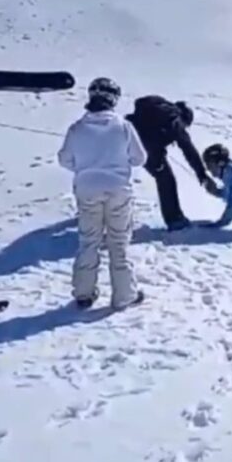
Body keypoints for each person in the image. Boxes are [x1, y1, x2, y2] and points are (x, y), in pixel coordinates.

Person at [58, 77, 148, 309]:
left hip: (86, 189)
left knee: (89, 240)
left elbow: (64, 159)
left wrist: (85, 167)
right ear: (114, 99)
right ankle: (124, 295)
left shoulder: (76, 128)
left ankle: (84, 293)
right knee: (119, 242)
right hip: (119, 189)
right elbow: (140, 158)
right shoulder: (123, 127)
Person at [125, 95, 216, 231]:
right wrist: (201, 174)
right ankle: (175, 220)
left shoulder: (160, 110)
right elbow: (188, 149)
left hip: (126, 139)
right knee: (166, 180)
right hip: (148, 149)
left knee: (117, 178)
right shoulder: (175, 120)